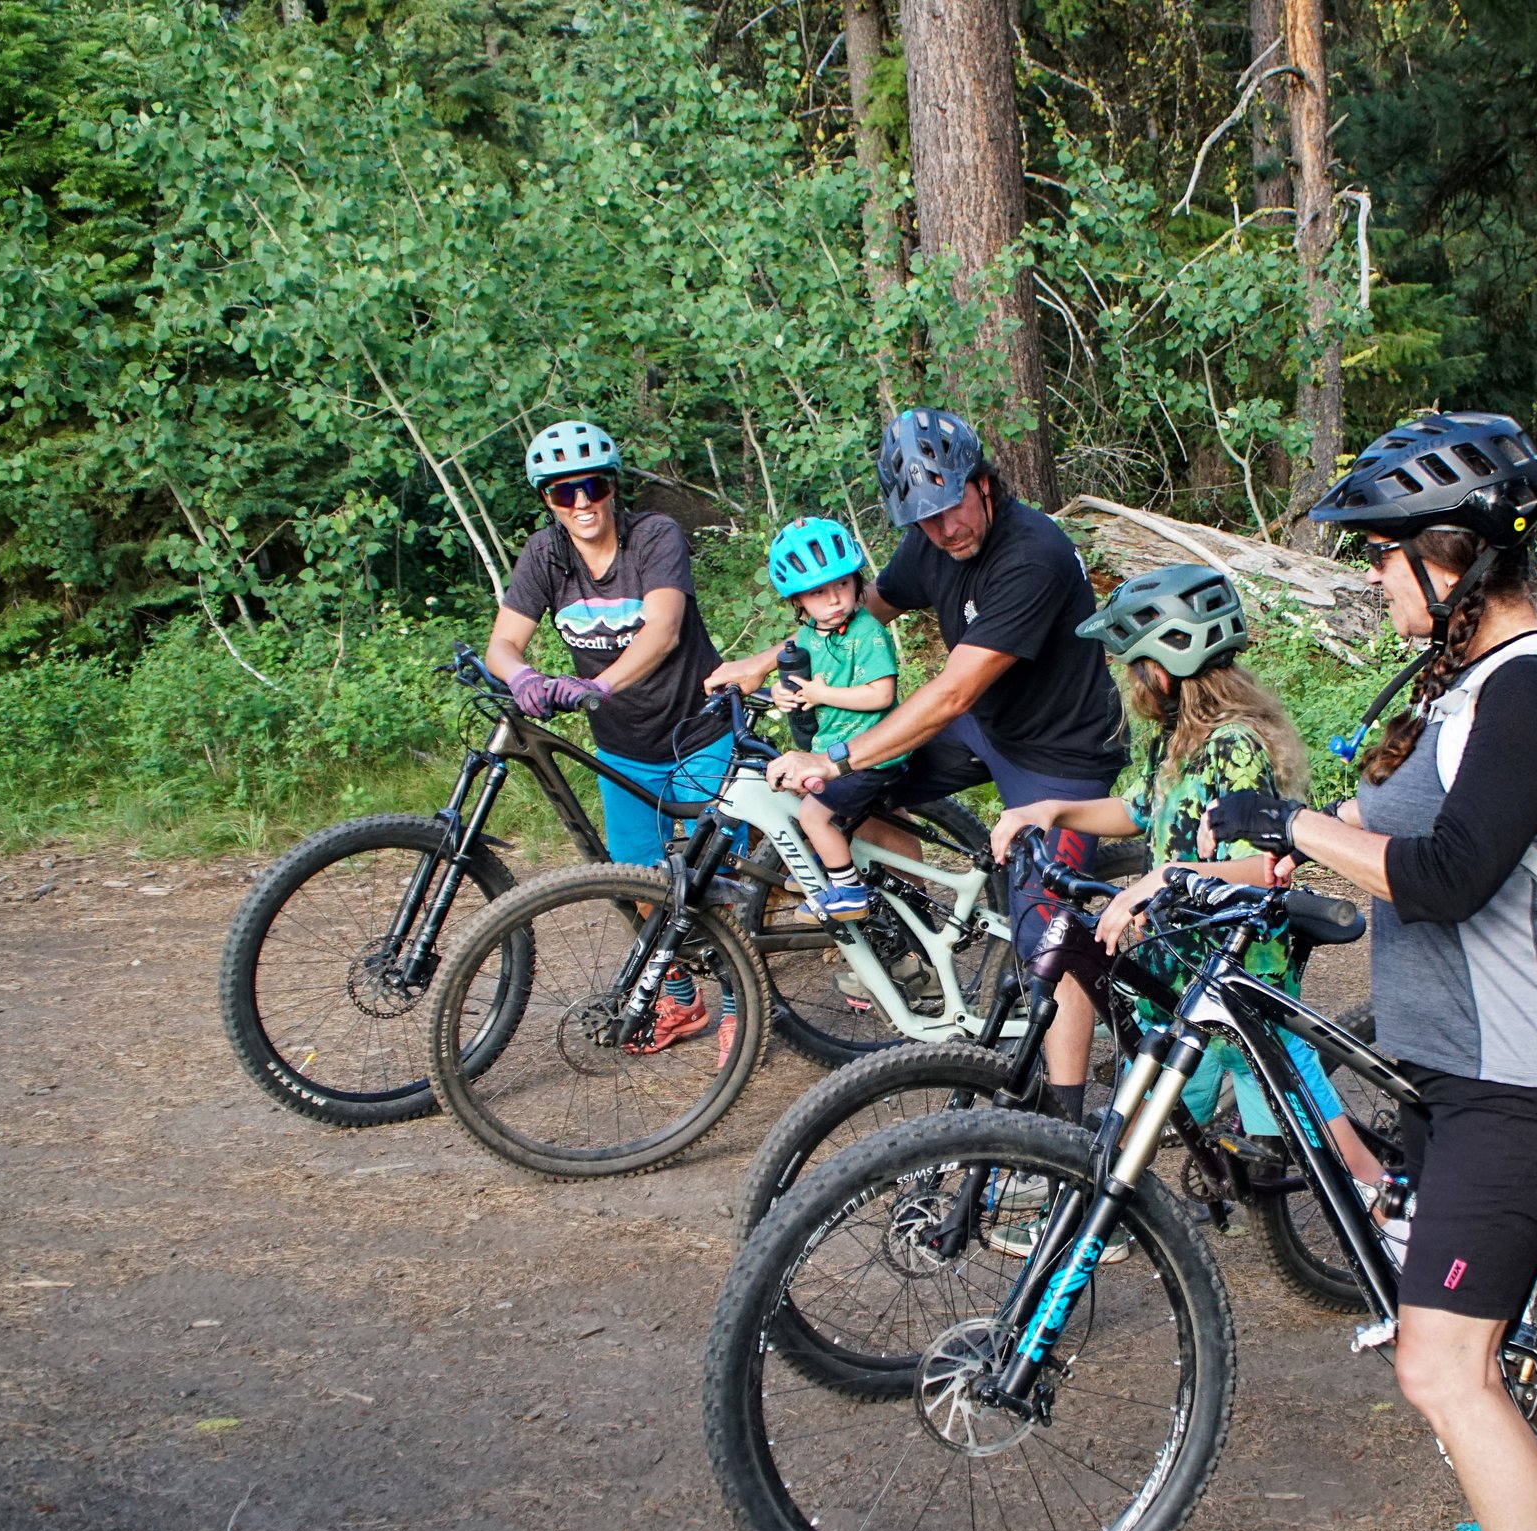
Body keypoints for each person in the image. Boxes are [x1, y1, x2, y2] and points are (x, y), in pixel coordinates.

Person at [1198, 413, 1537, 1531]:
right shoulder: (1479, 686)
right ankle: (1528, 1523)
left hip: (1520, 1079)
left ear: (1455, 552)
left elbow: (1446, 872)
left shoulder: (1532, 686)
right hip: (1461, 1062)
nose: (1372, 576)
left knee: (1438, 1364)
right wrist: (1271, 850)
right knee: (1480, 1332)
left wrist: (1299, 825)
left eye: (1384, 554)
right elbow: (1390, 846)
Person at [764, 409, 1127, 1118]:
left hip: (1062, 751)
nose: (945, 530)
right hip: (984, 728)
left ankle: (1067, 1127)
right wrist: (770, 662)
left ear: (983, 482)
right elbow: (866, 607)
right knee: (858, 798)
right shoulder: (928, 541)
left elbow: (952, 689)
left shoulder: (1033, 553)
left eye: (952, 506)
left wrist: (835, 756)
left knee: (1048, 933)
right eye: (925, 520)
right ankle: (927, 925)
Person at [991, 563, 1386, 1190]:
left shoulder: (1234, 745)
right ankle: (1106, 1213)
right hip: (1183, 978)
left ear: (1162, 667)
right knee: (1142, 1115)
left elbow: (1265, 867)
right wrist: (1053, 808)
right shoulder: (1178, 740)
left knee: (1329, 1154)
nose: (1130, 683)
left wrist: (1165, 876)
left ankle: (1392, 1219)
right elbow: (1139, 812)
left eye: (1132, 666)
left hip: (1243, 981)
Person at [483, 417, 734, 1060]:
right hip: (623, 748)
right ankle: (679, 998)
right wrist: (524, 678)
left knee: (716, 881)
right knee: (636, 881)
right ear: (547, 500)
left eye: (592, 486)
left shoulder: (654, 537)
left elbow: (664, 630)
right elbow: (503, 644)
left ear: (612, 487)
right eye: (564, 492)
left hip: (697, 731)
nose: (581, 502)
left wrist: (599, 686)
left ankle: (743, 1006)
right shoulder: (546, 555)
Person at [706, 517, 900, 924]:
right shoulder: (812, 635)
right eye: (818, 592)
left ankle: (848, 890)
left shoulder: (867, 633)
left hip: (869, 751)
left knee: (813, 814)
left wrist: (819, 694)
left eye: (843, 585)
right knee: (795, 790)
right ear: (798, 602)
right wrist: (786, 694)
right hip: (831, 746)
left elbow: (880, 694)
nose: (835, 600)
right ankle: (829, 862)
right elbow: (804, 685)